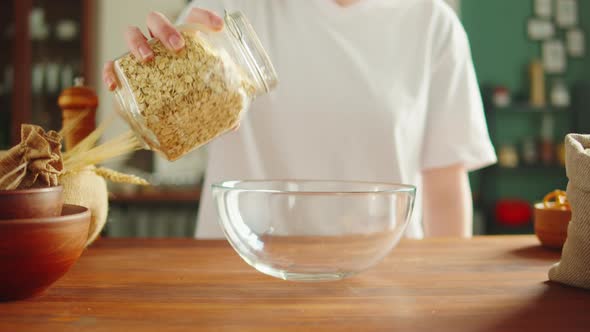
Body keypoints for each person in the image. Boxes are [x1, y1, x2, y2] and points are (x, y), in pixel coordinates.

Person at [103, 0, 496, 239]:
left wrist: (447, 299)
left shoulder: (433, 23)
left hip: (384, 275)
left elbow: (445, 187)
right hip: (238, 274)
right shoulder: (225, 11)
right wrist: (147, 73)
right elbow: (163, 121)